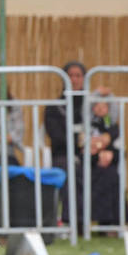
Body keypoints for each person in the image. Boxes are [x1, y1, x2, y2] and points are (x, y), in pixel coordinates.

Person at [45, 60, 86, 223]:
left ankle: (108, 223)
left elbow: (108, 123)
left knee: (108, 169)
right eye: (70, 75)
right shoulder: (54, 108)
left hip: (91, 154)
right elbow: (57, 137)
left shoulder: (92, 105)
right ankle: (74, 221)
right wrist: (81, 143)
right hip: (64, 154)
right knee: (70, 169)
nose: (74, 80)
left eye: (78, 76)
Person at [84, 88, 128, 227]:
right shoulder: (88, 127)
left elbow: (121, 149)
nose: (100, 109)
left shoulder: (114, 127)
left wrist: (110, 154)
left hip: (111, 165)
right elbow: (83, 147)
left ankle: (114, 222)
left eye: (104, 106)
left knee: (112, 177)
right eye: (97, 105)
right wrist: (97, 155)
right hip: (91, 165)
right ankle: (100, 221)